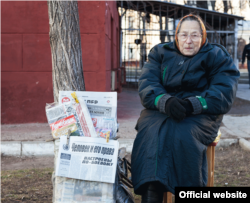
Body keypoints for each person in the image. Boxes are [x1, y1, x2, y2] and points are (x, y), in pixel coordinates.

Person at [131, 14, 240, 203]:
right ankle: (151, 193)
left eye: (195, 35)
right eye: (184, 35)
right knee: (151, 131)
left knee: (183, 133)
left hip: (201, 115)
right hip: (161, 110)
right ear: (176, 36)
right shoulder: (160, 52)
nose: (188, 41)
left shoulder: (217, 55)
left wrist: (193, 104)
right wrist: (165, 101)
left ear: (203, 37)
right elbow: (147, 84)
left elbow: (224, 92)